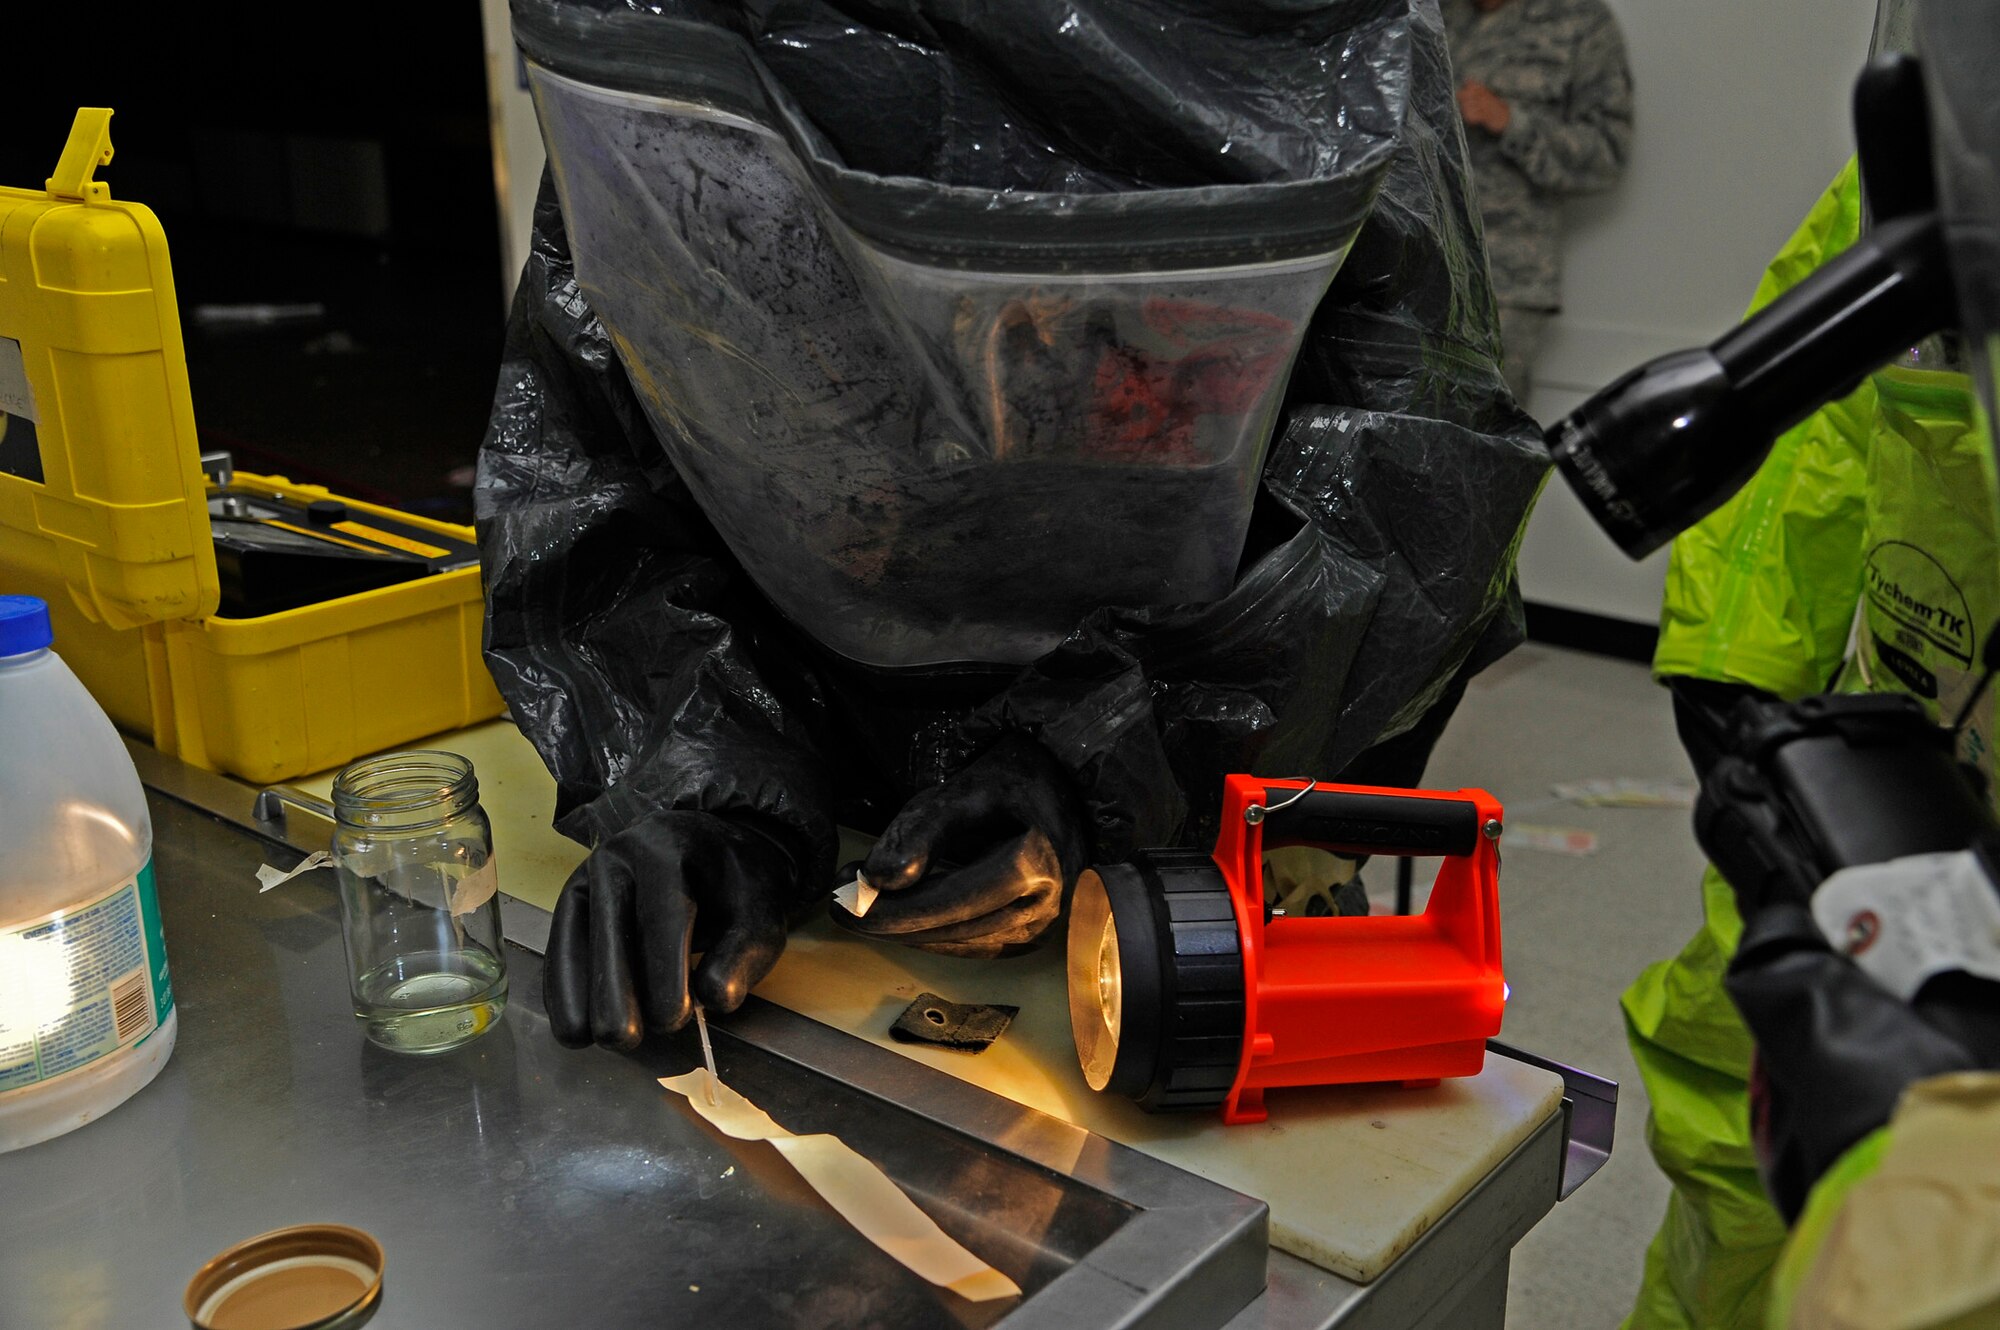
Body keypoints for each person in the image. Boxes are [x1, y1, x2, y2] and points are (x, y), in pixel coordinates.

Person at [476, 0, 1547, 1052]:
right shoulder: (664, 22)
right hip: (808, 812)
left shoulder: (1309, 39)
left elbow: (1409, 485)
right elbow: (597, 432)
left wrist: (1100, 761)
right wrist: (704, 774)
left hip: (1202, 812)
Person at [1623, 2, 2000, 1317]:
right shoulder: (1953, 145)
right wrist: (1736, 679)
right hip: (1881, 795)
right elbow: (1817, 430)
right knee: (1736, 1124)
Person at [1445, 0, 1634, 401]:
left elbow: (1608, 152)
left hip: (1506, 282)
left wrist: (1512, 122)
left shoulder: (1579, 22)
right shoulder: (1431, 11)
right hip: (1414, 265)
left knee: (1485, 437)